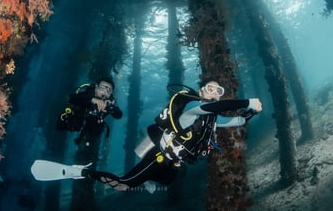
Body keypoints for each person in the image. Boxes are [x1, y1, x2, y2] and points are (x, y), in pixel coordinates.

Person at [82, 78, 262, 191]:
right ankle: (85, 173)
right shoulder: (193, 107)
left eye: (219, 91)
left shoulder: (211, 119)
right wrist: (249, 102)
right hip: (160, 155)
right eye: (210, 89)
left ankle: (147, 179)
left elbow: (238, 121)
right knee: (123, 185)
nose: (215, 92)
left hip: (174, 163)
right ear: (200, 93)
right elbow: (214, 107)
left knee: (166, 181)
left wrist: (253, 113)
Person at [56, 77, 123, 145]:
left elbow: (119, 115)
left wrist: (111, 108)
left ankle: (84, 139)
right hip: (76, 119)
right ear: (96, 87)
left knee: (97, 130)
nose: (105, 92)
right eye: (102, 88)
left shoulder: (110, 101)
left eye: (109, 90)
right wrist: (92, 99)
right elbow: (73, 98)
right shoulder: (88, 93)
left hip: (91, 126)